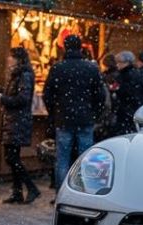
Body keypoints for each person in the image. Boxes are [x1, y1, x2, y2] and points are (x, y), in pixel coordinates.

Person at [42, 35, 107, 194]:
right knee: (86, 157)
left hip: (64, 119)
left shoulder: (58, 68)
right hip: (85, 118)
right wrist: (95, 114)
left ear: (64, 47)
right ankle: (87, 191)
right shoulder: (91, 68)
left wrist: (54, 113)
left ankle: (63, 193)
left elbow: (47, 94)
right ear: (81, 48)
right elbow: (100, 95)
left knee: (62, 158)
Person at [0, 47, 41, 204]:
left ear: (17, 59)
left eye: (11, 56)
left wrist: (3, 99)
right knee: (11, 157)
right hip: (13, 120)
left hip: (17, 120)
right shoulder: (17, 74)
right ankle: (17, 192)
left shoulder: (24, 75)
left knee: (12, 157)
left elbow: (23, 98)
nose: (8, 59)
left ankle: (31, 188)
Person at [113, 51, 143, 135]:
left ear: (126, 63)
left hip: (127, 111)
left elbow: (128, 92)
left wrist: (117, 91)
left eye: (119, 62)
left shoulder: (126, 75)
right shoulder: (135, 73)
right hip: (130, 110)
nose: (117, 65)